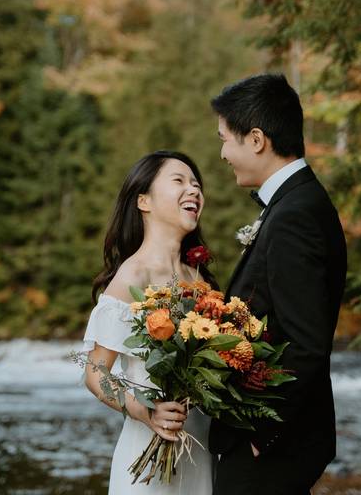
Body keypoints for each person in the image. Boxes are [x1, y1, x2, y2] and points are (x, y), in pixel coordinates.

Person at [208, 74, 347, 495]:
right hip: (276, 443)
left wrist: (260, 436)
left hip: (272, 446)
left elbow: (306, 342)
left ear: (255, 139)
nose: (223, 154)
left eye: (224, 139)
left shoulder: (295, 215)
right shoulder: (295, 203)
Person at [82, 150, 215, 494]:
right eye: (179, 181)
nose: (194, 191)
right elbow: (96, 374)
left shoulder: (201, 279)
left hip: (201, 448)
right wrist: (146, 411)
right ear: (144, 201)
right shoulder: (132, 276)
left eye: (196, 184)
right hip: (148, 451)